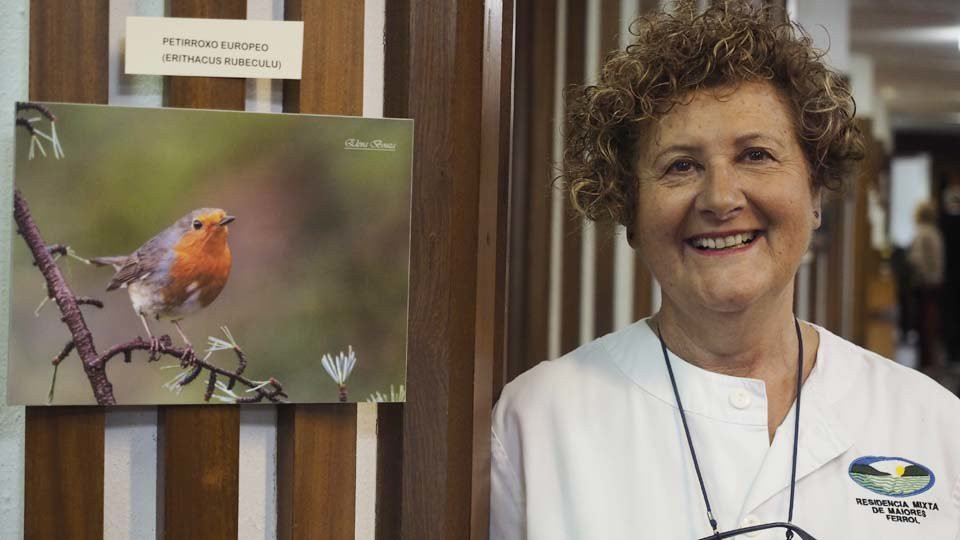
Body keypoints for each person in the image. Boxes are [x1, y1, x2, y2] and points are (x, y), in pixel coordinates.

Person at [490, 2, 960, 539]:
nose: (720, 198)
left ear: (814, 192)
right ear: (629, 209)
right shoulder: (537, 422)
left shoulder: (932, 424)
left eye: (756, 155)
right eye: (680, 166)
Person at [907, 201, 945, 368]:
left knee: (924, 319)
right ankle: (929, 357)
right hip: (935, 280)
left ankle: (926, 360)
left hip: (925, 282)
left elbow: (918, 259)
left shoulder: (923, 233)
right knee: (930, 318)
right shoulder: (935, 232)